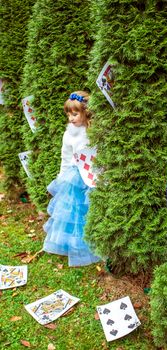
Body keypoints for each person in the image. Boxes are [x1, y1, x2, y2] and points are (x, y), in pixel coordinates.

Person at [43, 91, 100, 266]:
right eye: (68, 114)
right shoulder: (69, 135)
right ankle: (74, 246)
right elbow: (66, 157)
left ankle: (95, 243)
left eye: (75, 114)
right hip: (75, 178)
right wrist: (61, 177)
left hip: (94, 175)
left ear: (86, 112)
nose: (71, 118)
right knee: (73, 213)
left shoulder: (95, 131)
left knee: (90, 211)